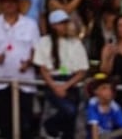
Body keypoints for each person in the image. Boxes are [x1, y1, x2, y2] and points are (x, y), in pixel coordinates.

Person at [0, 0, 40, 139]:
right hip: (1, 80)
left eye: (12, 1)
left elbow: (36, 49)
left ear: (18, 4)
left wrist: (29, 62)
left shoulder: (30, 24)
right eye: (5, 1)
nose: (9, 4)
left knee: (25, 123)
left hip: (24, 80)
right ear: (1, 4)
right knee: (4, 122)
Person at [34, 9, 88, 139]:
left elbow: (82, 71)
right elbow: (43, 69)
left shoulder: (75, 43)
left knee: (72, 118)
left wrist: (66, 86)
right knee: (69, 110)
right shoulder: (44, 42)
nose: (64, 26)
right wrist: (54, 86)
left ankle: (59, 132)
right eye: (61, 23)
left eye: (65, 23)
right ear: (53, 25)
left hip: (71, 82)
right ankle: (50, 125)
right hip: (53, 81)